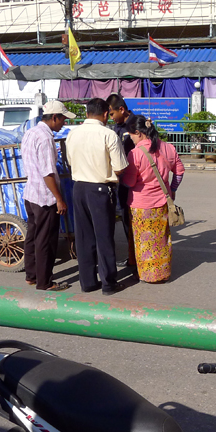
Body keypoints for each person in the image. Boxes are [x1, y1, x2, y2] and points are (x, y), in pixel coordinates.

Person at [65, 97, 129, 295]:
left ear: (86, 114)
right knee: (104, 237)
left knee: (84, 237)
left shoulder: (72, 134)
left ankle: (88, 282)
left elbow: (69, 161)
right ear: (104, 114)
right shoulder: (108, 135)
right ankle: (109, 283)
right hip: (100, 189)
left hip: (79, 188)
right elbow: (119, 168)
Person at [21, 100, 75, 292]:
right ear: (54, 118)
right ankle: (45, 282)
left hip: (31, 193)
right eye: (62, 120)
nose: (64, 124)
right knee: (46, 240)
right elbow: (48, 173)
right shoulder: (45, 139)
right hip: (44, 197)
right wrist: (59, 199)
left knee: (33, 237)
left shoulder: (31, 132)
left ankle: (32, 275)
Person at [119, 116, 179, 283]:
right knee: (161, 240)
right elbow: (179, 172)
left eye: (131, 135)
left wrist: (121, 178)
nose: (130, 138)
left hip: (141, 206)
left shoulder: (135, 153)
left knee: (144, 242)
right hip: (162, 204)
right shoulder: (168, 148)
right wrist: (172, 190)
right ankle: (162, 273)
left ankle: (148, 275)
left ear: (138, 133)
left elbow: (130, 182)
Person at [106, 94, 142, 268]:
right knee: (127, 221)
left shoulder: (137, 124)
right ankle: (133, 257)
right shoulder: (116, 127)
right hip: (120, 183)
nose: (110, 118)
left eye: (111, 114)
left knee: (135, 221)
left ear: (121, 109)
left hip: (135, 182)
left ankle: (138, 258)